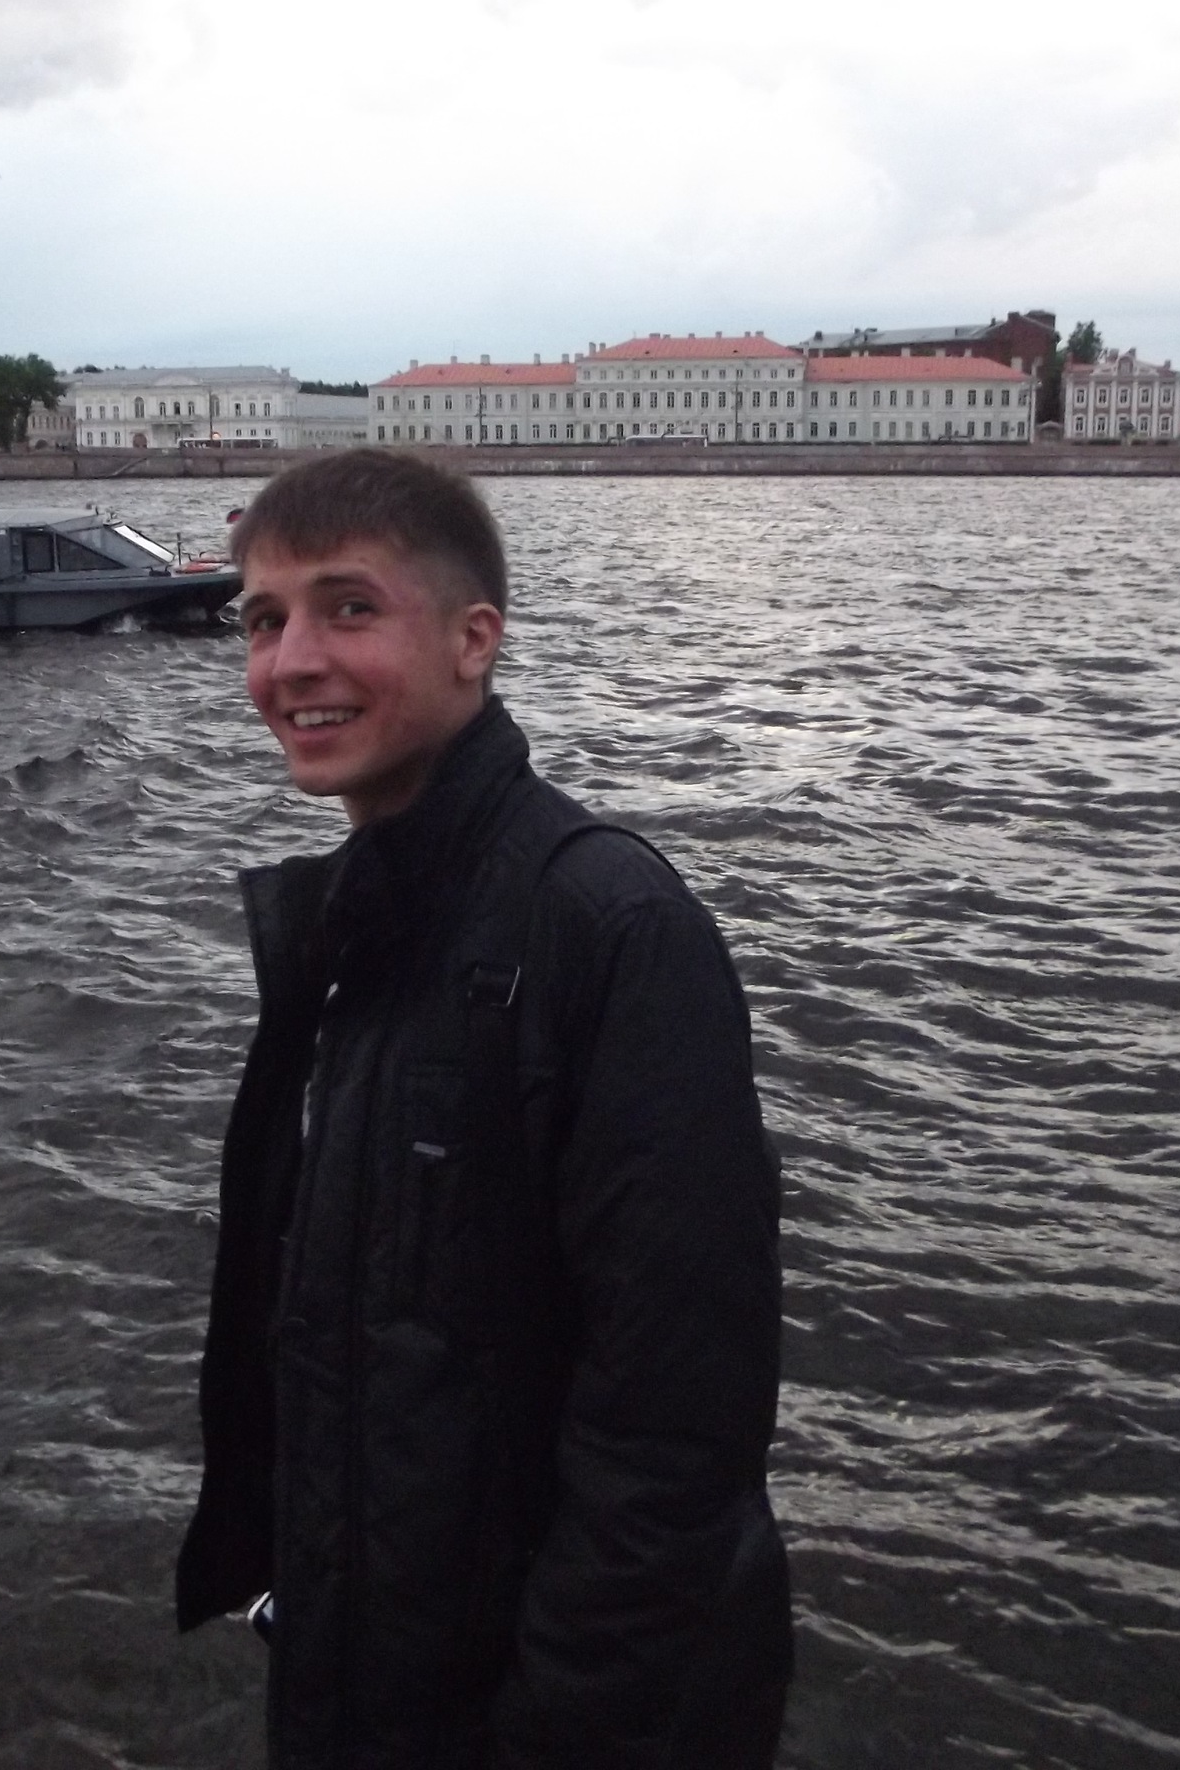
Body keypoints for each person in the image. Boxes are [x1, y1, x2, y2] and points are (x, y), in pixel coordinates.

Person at [178, 450, 789, 1768]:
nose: (290, 663)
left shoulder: (610, 929)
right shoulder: (370, 916)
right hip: (372, 1675)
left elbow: (674, 1444)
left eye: (349, 607)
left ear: (474, 640)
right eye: (263, 619)